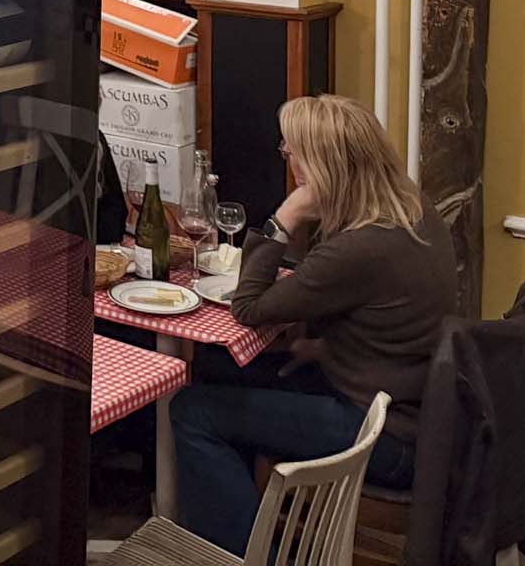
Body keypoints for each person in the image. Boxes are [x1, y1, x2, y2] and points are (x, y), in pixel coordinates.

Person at [169, 95, 457, 555]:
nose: (289, 162)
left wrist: (286, 217)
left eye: (292, 152)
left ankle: (245, 556)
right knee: (214, 369)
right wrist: (326, 349)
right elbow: (390, 323)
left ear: (323, 166)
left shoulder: (360, 247)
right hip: (414, 410)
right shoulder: (409, 207)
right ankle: (238, 531)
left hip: (386, 436)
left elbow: (248, 306)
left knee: (193, 410)